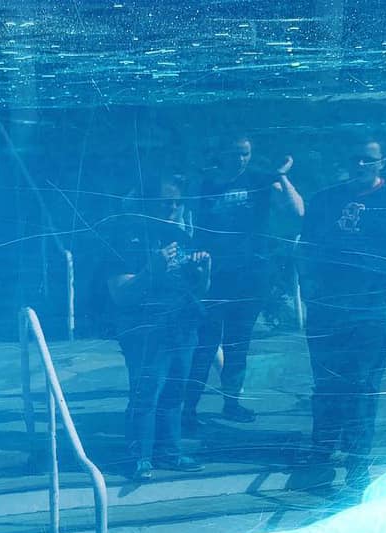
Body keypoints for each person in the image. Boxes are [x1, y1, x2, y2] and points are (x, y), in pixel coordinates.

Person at [297, 137, 386, 491]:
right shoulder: (325, 200)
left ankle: (357, 466)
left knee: (361, 389)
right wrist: (311, 299)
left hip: (371, 310)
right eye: (355, 159)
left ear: (383, 161)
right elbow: (306, 254)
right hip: (327, 312)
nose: (361, 166)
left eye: (369, 160)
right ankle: (321, 452)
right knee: (325, 385)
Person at [184, 133, 304, 427]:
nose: (240, 159)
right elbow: (187, 223)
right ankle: (187, 408)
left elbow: (297, 211)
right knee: (204, 344)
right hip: (212, 277)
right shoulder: (205, 184)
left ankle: (232, 402)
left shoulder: (260, 180)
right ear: (222, 153)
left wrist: (282, 177)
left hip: (250, 276)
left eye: (245, 153)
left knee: (239, 343)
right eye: (235, 153)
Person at [106, 176, 212, 481]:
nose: (173, 208)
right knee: (147, 391)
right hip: (143, 328)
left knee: (175, 392)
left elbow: (199, 289)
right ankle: (138, 457)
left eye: (178, 202)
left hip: (181, 325)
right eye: (166, 202)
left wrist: (204, 273)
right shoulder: (125, 236)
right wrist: (150, 269)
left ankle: (170, 451)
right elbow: (119, 294)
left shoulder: (181, 236)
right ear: (148, 202)